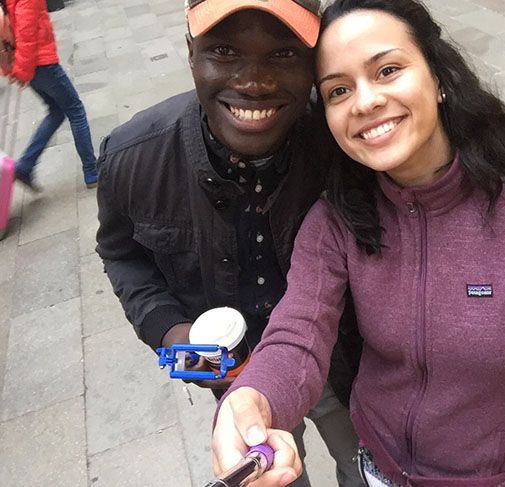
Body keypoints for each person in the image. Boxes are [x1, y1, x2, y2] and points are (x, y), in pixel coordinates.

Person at [211, 0, 505, 486]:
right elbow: (299, 333)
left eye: (387, 70)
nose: (365, 102)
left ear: (438, 77)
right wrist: (252, 399)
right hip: (375, 469)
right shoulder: (337, 219)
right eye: (338, 89)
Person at [95, 1, 363, 486]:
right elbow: (121, 254)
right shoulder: (134, 158)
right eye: (223, 50)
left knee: (364, 463)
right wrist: (174, 343)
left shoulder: (343, 146)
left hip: (337, 359)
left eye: (282, 54)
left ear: (313, 63)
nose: (254, 81)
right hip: (227, 368)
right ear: (190, 52)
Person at [1, 0, 98, 192]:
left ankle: (25, 166)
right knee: (76, 111)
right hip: (42, 65)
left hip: (32, 66)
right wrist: (22, 72)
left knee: (56, 111)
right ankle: (92, 171)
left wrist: (19, 70)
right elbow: (26, 36)